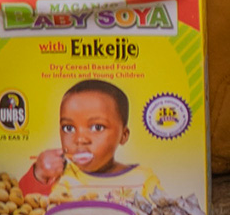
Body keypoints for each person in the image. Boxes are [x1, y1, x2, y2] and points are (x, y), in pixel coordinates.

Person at [19, 80, 162, 201]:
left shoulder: (143, 179)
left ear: (123, 136)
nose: (80, 139)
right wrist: (39, 174)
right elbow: (21, 203)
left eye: (97, 127)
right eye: (68, 128)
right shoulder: (60, 177)